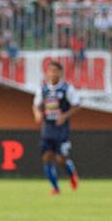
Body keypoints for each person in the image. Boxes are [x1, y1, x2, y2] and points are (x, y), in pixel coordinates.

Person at [32, 61, 81, 195]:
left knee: (61, 159)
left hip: (61, 129)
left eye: (55, 71)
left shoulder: (66, 88)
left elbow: (76, 105)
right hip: (47, 128)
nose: (52, 73)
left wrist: (64, 116)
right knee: (47, 157)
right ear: (47, 73)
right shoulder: (43, 89)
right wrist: (37, 113)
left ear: (60, 73)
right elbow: (36, 105)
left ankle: (72, 174)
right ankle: (55, 187)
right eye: (50, 71)